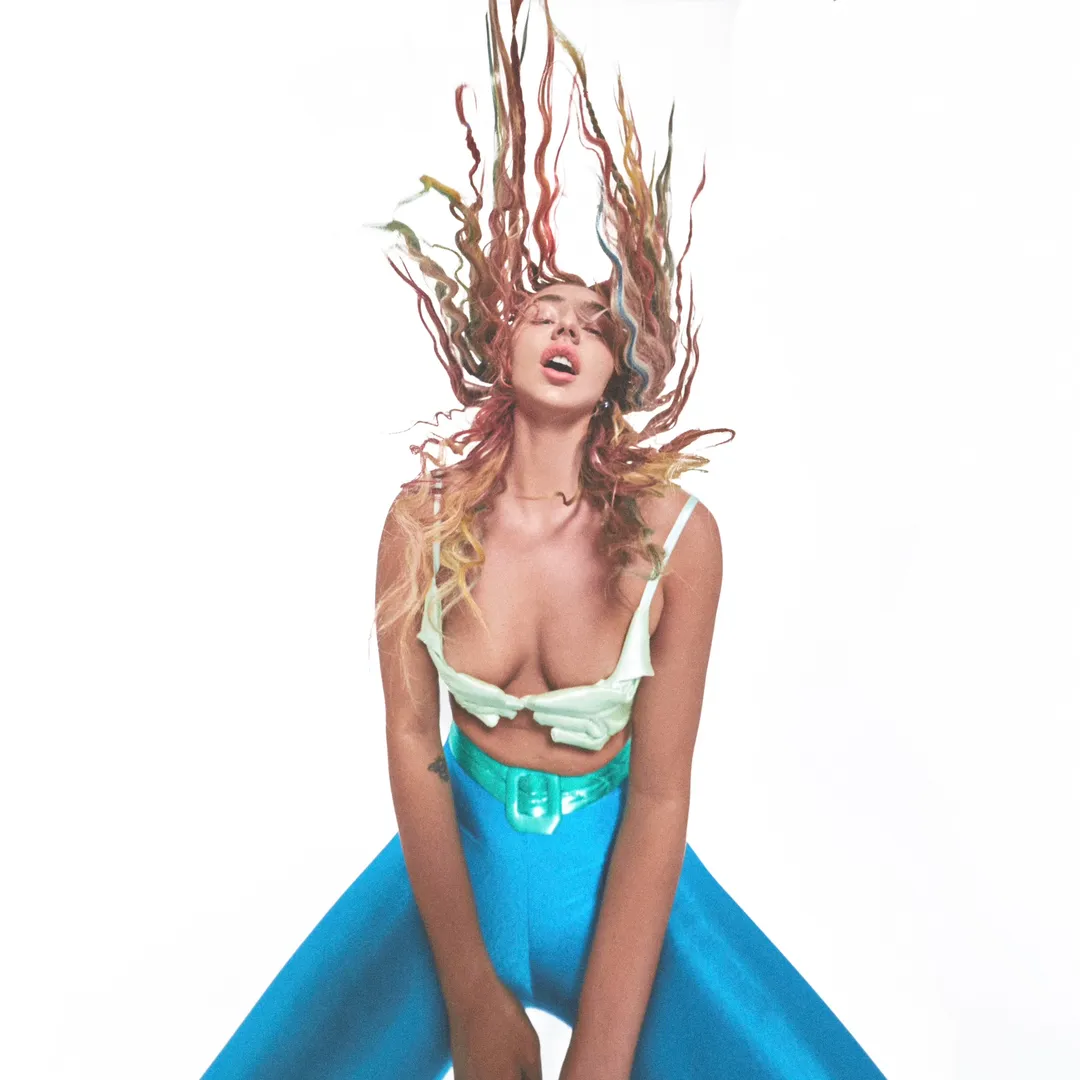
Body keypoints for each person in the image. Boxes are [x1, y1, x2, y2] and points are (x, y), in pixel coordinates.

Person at [200, 2, 889, 1077]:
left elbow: (660, 794)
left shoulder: (677, 538)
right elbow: (414, 746)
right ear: (501, 342)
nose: (567, 325)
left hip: (615, 885)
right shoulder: (422, 522)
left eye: (595, 324)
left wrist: (602, 1054)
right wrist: (475, 998)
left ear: (622, 372)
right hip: (453, 883)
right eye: (543, 311)